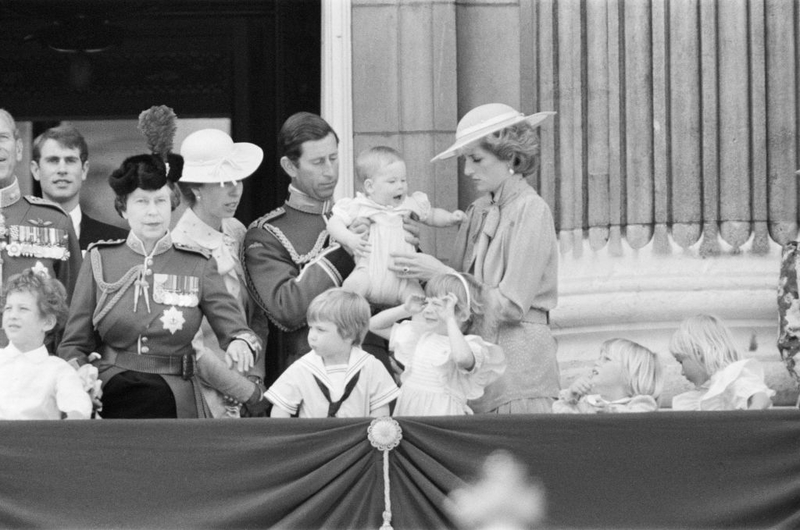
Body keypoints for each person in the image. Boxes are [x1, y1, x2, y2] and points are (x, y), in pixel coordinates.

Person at [58, 106, 267, 419]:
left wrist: (241, 343)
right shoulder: (100, 260)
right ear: (123, 209)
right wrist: (83, 380)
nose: (152, 212)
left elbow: (237, 329)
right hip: (110, 393)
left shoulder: (198, 263)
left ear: (172, 205)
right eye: (141, 202)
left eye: (159, 201)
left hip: (175, 396)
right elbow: (73, 344)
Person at [389, 103, 559, 413]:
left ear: (510, 156)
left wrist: (438, 269)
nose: (467, 170)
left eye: (476, 158)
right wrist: (414, 252)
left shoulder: (531, 210)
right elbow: (457, 296)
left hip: (519, 375)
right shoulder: (478, 210)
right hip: (472, 374)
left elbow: (510, 305)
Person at [242, 112, 417, 384]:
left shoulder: (368, 213)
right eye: (318, 162)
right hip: (317, 378)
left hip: (388, 369)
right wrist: (345, 249)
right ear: (290, 166)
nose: (330, 171)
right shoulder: (265, 234)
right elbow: (287, 309)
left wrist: (408, 249)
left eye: (333, 158)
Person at [173, 128, 269, 417]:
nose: (235, 189)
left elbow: (256, 315)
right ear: (197, 189)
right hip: (204, 396)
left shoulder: (236, 230)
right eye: (223, 182)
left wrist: (255, 377)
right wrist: (245, 392)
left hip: (252, 387)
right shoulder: (179, 247)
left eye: (237, 179)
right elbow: (191, 346)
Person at [327, 146, 465, 307]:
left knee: (419, 302)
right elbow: (334, 223)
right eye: (392, 181)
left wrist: (450, 218)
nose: (400, 186)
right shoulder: (360, 206)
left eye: (403, 180)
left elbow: (431, 215)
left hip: (403, 280)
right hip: (368, 274)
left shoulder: (408, 204)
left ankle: (417, 329)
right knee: (350, 291)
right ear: (370, 186)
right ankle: (344, 323)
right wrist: (350, 238)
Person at [0, 110, 82, 349]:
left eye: (2, 138)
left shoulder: (54, 221)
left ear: (18, 148)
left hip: (37, 371)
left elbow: (76, 312)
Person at [370, 272, 505, 416]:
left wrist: (449, 319)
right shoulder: (420, 336)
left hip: (440, 416)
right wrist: (405, 309)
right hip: (410, 411)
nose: (428, 309)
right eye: (427, 302)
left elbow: (462, 359)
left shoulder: (470, 345)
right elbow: (374, 325)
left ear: (463, 314)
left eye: (438, 305)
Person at [265, 288, 400, 418]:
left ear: (349, 334)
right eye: (311, 328)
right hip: (316, 440)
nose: (312, 336)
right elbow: (281, 407)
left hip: (357, 440)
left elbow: (381, 408)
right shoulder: (302, 367)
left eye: (320, 330)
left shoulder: (370, 366)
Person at [0, 269, 92, 420]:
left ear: (47, 322)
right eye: (8, 308)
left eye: (23, 309)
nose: (13, 316)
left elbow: (79, 411)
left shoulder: (58, 370)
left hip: (36, 442)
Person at [30, 123, 128, 251]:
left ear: (84, 170)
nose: (62, 169)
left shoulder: (119, 243)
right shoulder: (12, 240)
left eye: (70, 160)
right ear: (36, 170)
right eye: (53, 160)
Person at [670, 314, 774, 410]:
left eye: (681, 362)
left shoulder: (731, 378)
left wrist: (751, 417)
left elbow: (760, 396)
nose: (682, 372)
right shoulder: (702, 394)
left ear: (698, 353)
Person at [552, 338, 663, 414]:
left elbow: (640, 421)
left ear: (631, 375)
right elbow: (558, 420)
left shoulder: (640, 404)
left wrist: (610, 413)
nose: (596, 362)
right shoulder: (583, 403)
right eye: (599, 357)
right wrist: (571, 398)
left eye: (607, 359)